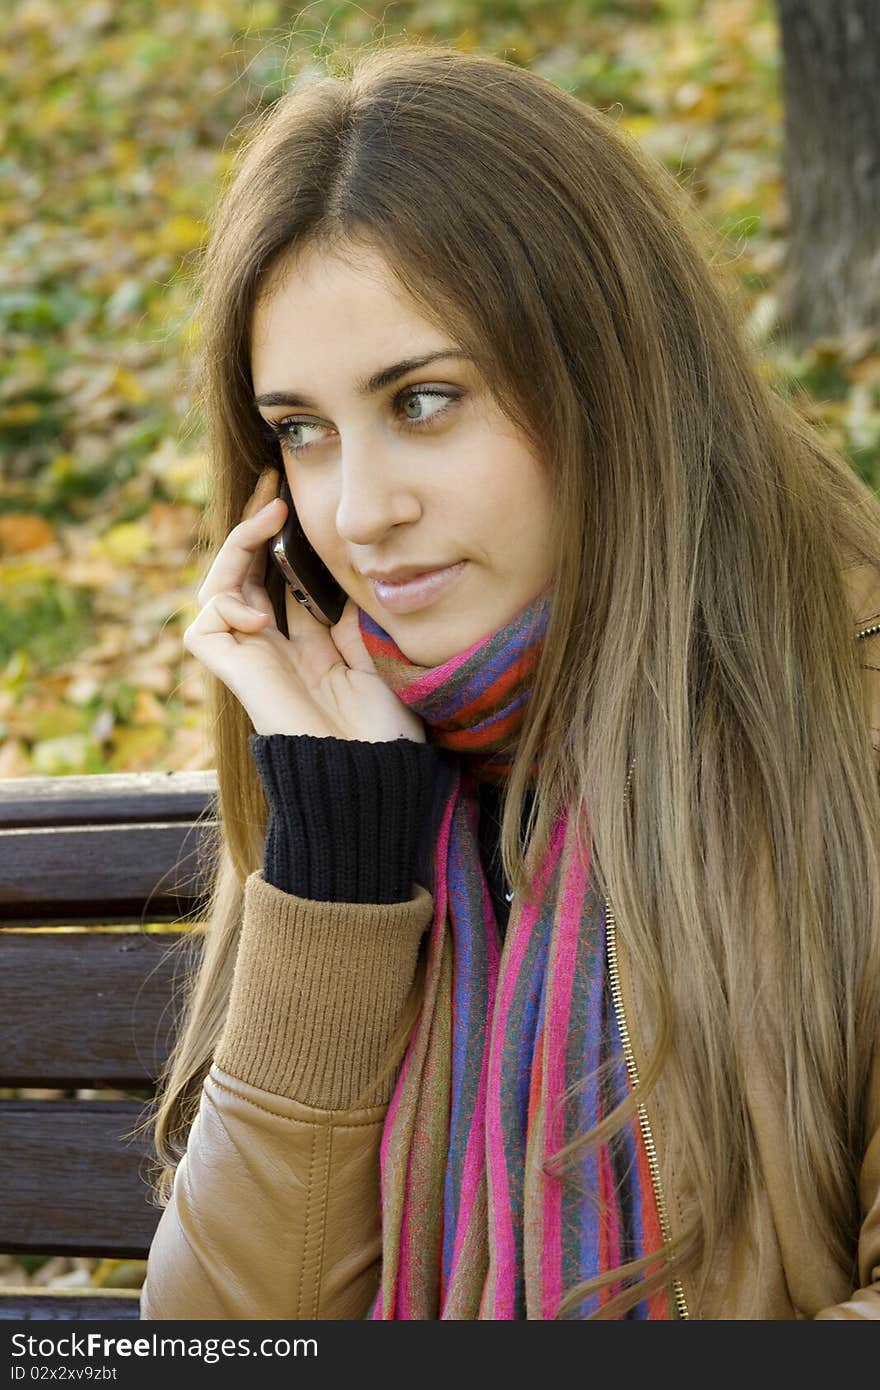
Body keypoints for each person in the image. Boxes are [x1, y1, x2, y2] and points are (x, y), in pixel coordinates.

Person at [137, 40, 880, 1320]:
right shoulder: (356, 768)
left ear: (608, 380)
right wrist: (334, 876)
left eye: (424, 400)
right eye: (301, 431)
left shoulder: (840, 732)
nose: (359, 513)